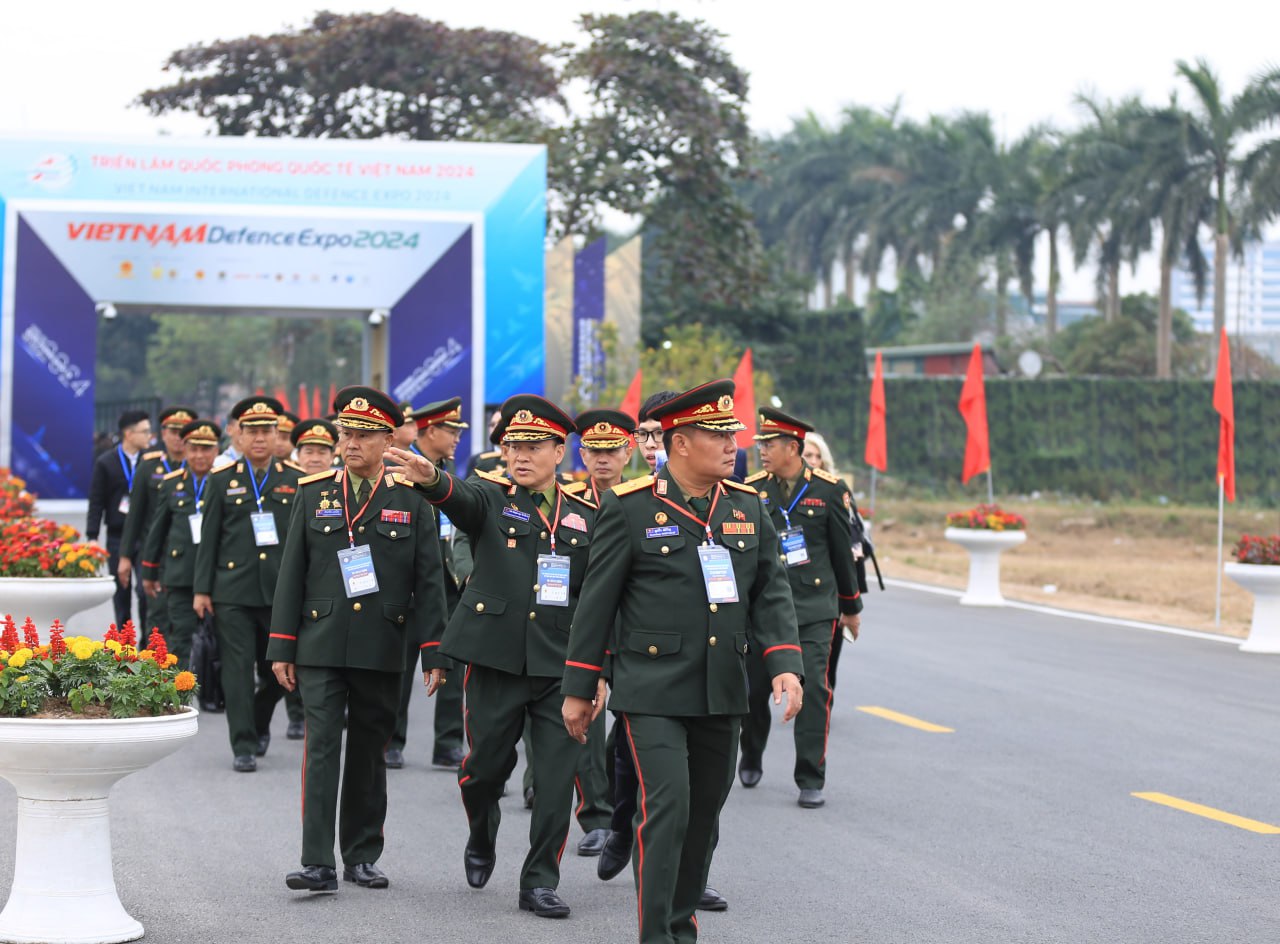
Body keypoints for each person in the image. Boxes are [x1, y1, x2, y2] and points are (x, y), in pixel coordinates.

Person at [562, 379, 804, 944]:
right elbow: (596, 604)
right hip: (651, 689)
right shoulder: (630, 507)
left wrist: (785, 665)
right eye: (716, 435)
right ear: (679, 444)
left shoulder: (748, 507)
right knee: (667, 810)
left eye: (731, 435)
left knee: (702, 819)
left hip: (722, 689)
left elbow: (771, 592)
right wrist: (582, 685)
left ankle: (679, 927)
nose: (731, 445)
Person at [386, 395, 597, 920]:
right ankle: (481, 833)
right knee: (483, 772)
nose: (520, 456)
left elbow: (603, 600)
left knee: (553, 779)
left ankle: (539, 881)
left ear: (559, 449)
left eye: (532, 447)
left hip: (560, 665)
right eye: (512, 446)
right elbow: (456, 498)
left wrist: (598, 672)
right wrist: (430, 478)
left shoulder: (590, 515)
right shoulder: (490, 496)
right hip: (496, 659)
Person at [269, 386, 447, 893]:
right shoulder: (314, 492)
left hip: (383, 642)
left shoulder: (411, 499)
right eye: (347, 434)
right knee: (321, 747)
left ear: (388, 440)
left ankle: (362, 855)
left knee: (370, 751)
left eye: (364, 436)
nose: (351, 444)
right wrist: (282, 645)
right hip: (320, 640)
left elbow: (429, 580)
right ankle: (316, 861)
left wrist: (433, 649)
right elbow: (292, 574)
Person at [595, 393, 729, 913]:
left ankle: (690, 877)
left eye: (657, 434)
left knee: (696, 789)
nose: (650, 444)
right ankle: (622, 829)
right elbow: (599, 598)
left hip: (702, 665)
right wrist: (595, 672)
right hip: (640, 661)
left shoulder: (726, 500)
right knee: (637, 769)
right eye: (645, 435)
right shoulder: (628, 501)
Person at [739, 407, 862, 809]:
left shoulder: (829, 490)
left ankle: (810, 775)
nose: (762, 452)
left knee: (813, 688)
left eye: (769, 445)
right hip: (764, 611)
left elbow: (843, 555)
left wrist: (851, 606)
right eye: (761, 445)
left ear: (793, 448)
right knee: (754, 689)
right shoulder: (752, 489)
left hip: (813, 607)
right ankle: (752, 751)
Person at [193, 396, 303, 772]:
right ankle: (243, 744)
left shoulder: (296, 479)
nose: (259, 439)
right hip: (232, 591)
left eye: (266, 431)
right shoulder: (222, 480)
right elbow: (208, 539)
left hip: (280, 594)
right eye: (251, 432)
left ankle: (258, 718)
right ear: (239, 437)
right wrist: (202, 590)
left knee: (281, 671)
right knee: (237, 671)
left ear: (277, 435)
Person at [557, 409, 637, 857]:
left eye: (612, 451)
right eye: (594, 452)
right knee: (588, 717)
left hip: (637, 627)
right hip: (583, 624)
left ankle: (627, 813)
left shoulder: (646, 499)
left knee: (629, 728)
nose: (602, 460)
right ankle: (596, 817)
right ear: (581, 453)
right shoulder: (568, 502)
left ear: (628, 452)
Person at [385, 397, 469, 771]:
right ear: (430, 431)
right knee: (399, 668)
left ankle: (448, 743)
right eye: (451, 432)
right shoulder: (398, 467)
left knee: (450, 661)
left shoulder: (449, 471)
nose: (456, 440)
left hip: (446, 582)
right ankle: (391, 740)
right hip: (406, 583)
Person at [139, 419, 219, 666]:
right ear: (185, 450)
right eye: (193, 448)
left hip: (219, 575)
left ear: (216, 451)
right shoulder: (172, 483)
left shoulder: (225, 481)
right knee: (179, 639)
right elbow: (158, 530)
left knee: (219, 641)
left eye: (206, 449)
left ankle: (215, 696)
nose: (199, 455)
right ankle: (180, 696)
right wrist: (149, 571)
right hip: (180, 573)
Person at [118, 405, 197, 637]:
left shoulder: (202, 468)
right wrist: (124, 556)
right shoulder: (150, 465)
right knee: (154, 612)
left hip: (190, 553)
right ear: (163, 434)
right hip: (155, 553)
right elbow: (136, 514)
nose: (178, 438)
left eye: (184, 432)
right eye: (173, 431)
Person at [87, 409, 152, 631]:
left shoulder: (152, 461)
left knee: (146, 591)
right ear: (129, 434)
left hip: (145, 536)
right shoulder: (106, 462)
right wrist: (92, 536)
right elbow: (96, 501)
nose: (148, 436)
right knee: (121, 593)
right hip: (117, 535)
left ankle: (148, 644)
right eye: (144, 432)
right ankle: (125, 646)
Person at [466, 407, 506, 477]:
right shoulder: (477, 460)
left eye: (500, 424)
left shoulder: (520, 458)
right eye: (492, 425)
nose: (495, 428)